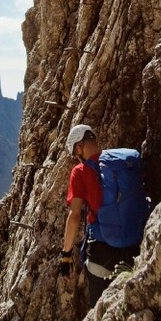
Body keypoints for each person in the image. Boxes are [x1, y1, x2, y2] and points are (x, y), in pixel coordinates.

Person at [58, 124, 140, 306]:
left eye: (75, 154)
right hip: (135, 247)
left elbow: (75, 216)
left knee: (101, 311)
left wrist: (66, 255)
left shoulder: (79, 172)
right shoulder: (120, 163)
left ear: (78, 147)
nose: (77, 159)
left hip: (103, 253)